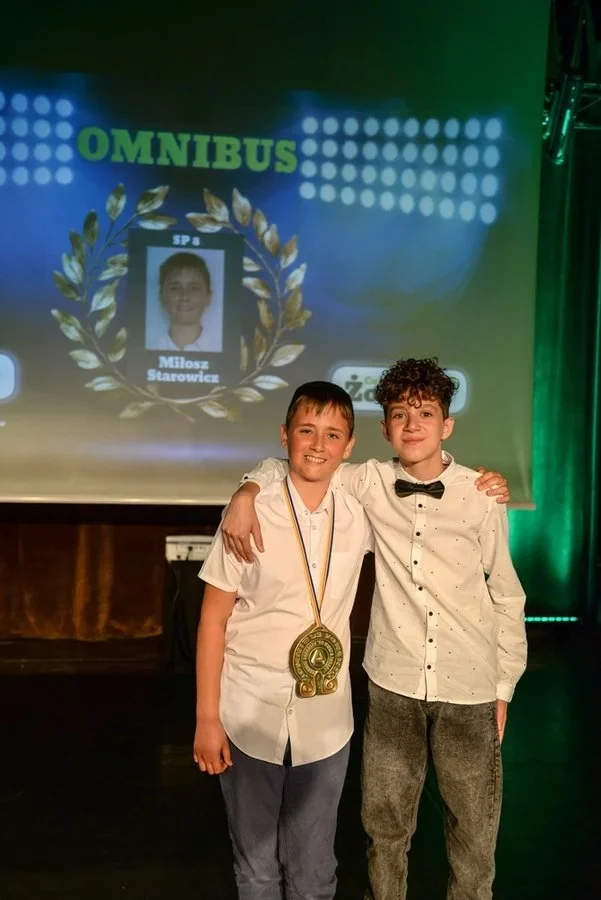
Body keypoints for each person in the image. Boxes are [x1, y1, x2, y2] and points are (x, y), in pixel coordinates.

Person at [221, 358, 524, 900]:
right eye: (400, 414)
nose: (412, 425)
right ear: (384, 429)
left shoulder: (481, 495)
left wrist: (504, 686)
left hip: (470, 684)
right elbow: (294, 460)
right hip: (391, 682)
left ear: (447, 424)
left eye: (425, 414)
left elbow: (507, 594)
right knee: (384, 831)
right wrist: (247, 489)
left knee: (474, 836)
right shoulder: (367, 480)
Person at [194, 381, 374, 900]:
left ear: (349, 446)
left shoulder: (361, 508)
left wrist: (483, 483)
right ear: (284, 435)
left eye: (333, 434)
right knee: (255, 869)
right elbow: (213, 620)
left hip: (326, 719)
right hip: (249, 711)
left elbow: (421, 479)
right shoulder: (249, 514)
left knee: (315, 870)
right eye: (306, 431)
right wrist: (207, 719)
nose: (318, 444)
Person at [152, 251, 216, 351]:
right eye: (175, 288)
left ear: (208, 297)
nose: (184, 296)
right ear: (161, 297)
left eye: (194, 288)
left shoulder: (219, 348)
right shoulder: (150, 347)